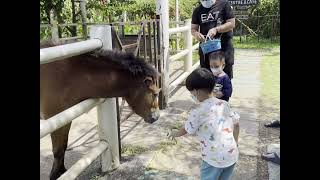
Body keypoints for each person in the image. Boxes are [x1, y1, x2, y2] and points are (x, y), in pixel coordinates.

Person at [168, 68, 240, 180]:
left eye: (191, 92)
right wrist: (235, 143)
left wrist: (174, 134)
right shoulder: (225, 104)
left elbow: (186, 129)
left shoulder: (197, 112)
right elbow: (236, 125)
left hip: (213, 159)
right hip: (232, 154)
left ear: (195, 91)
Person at [191, 0, 235, 79]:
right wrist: (197, 34)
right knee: (206, 79)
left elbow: (231, 24)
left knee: (225, 79)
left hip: (224, 49)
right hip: (206, 50)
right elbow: (193, 29)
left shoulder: (224, 4)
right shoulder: (197, 10)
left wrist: (216, 29)